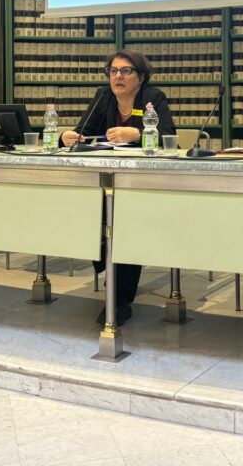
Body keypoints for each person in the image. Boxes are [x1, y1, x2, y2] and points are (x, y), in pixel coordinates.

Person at [61, 50, 175, 327]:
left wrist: (139, 133)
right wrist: (69, 136)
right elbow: (83, 130)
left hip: (145, 184)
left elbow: (169, 136)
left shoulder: (153, 97)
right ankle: (111, 276)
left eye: (126, 71)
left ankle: (120, 299)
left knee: (124, 224)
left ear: (141, 77)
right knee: (90, 216)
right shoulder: (104, 96)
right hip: (107, 179)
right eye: (113, 71)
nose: (117, 77)